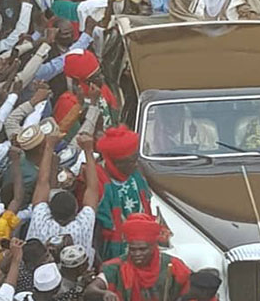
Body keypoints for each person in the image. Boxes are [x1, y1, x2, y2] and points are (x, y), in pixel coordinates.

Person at [25, 132, 98, 261]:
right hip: (77, 280)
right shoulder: (82, 226)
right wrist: (88, 150)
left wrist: (49, 146)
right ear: (76, 210)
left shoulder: (40, 220)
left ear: (49, 211)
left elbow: (42, 182)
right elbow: (92, 189)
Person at [85, 213, 192, 300]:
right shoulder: (115, 267)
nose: (137, 254)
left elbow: (194, 291)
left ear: (153, 246)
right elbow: (90, 290)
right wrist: (103, 293)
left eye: (142, 249)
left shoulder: (174, 266)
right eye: (132, 249)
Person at [95, 125, 152, 260]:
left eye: (136, 158)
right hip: (115, 252)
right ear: (115, 163)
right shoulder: (99, 181)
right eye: (131, 161)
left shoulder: (135, 174)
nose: (136, 164)